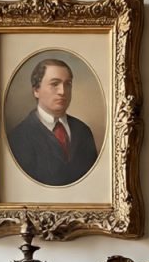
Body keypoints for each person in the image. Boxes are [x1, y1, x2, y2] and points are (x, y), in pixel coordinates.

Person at [6, 58, 98, 186]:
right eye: (55, 84)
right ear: (36, 90)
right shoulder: (19, 137)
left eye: (68, 84)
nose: (63, 92)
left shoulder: (83, 131)